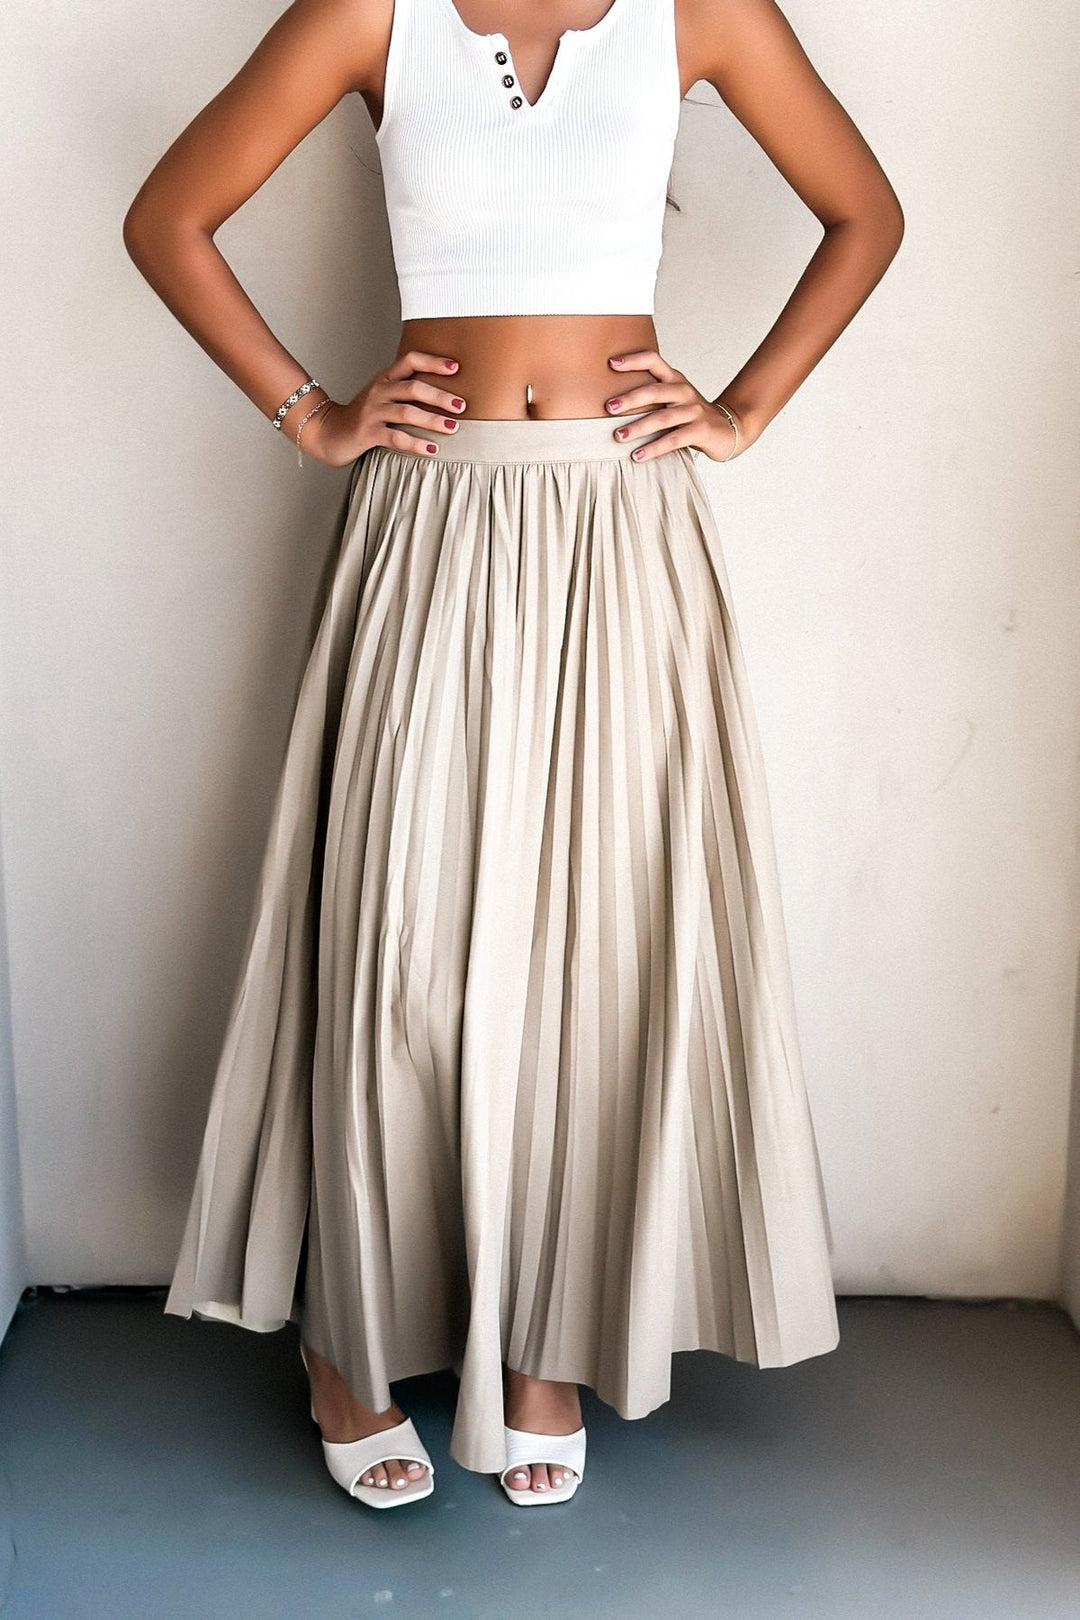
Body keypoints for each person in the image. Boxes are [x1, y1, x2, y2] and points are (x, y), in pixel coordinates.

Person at [123, 0, 903, 1510]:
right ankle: (347, 1342)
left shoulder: (701, 12)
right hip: (431, 520)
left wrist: (742, 409)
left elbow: (864, 213)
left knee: (591, 948)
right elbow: (171, 218)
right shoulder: (371, 13)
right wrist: (313, 413)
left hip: (624, 531)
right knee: (398, 945)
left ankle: (542, 1331)